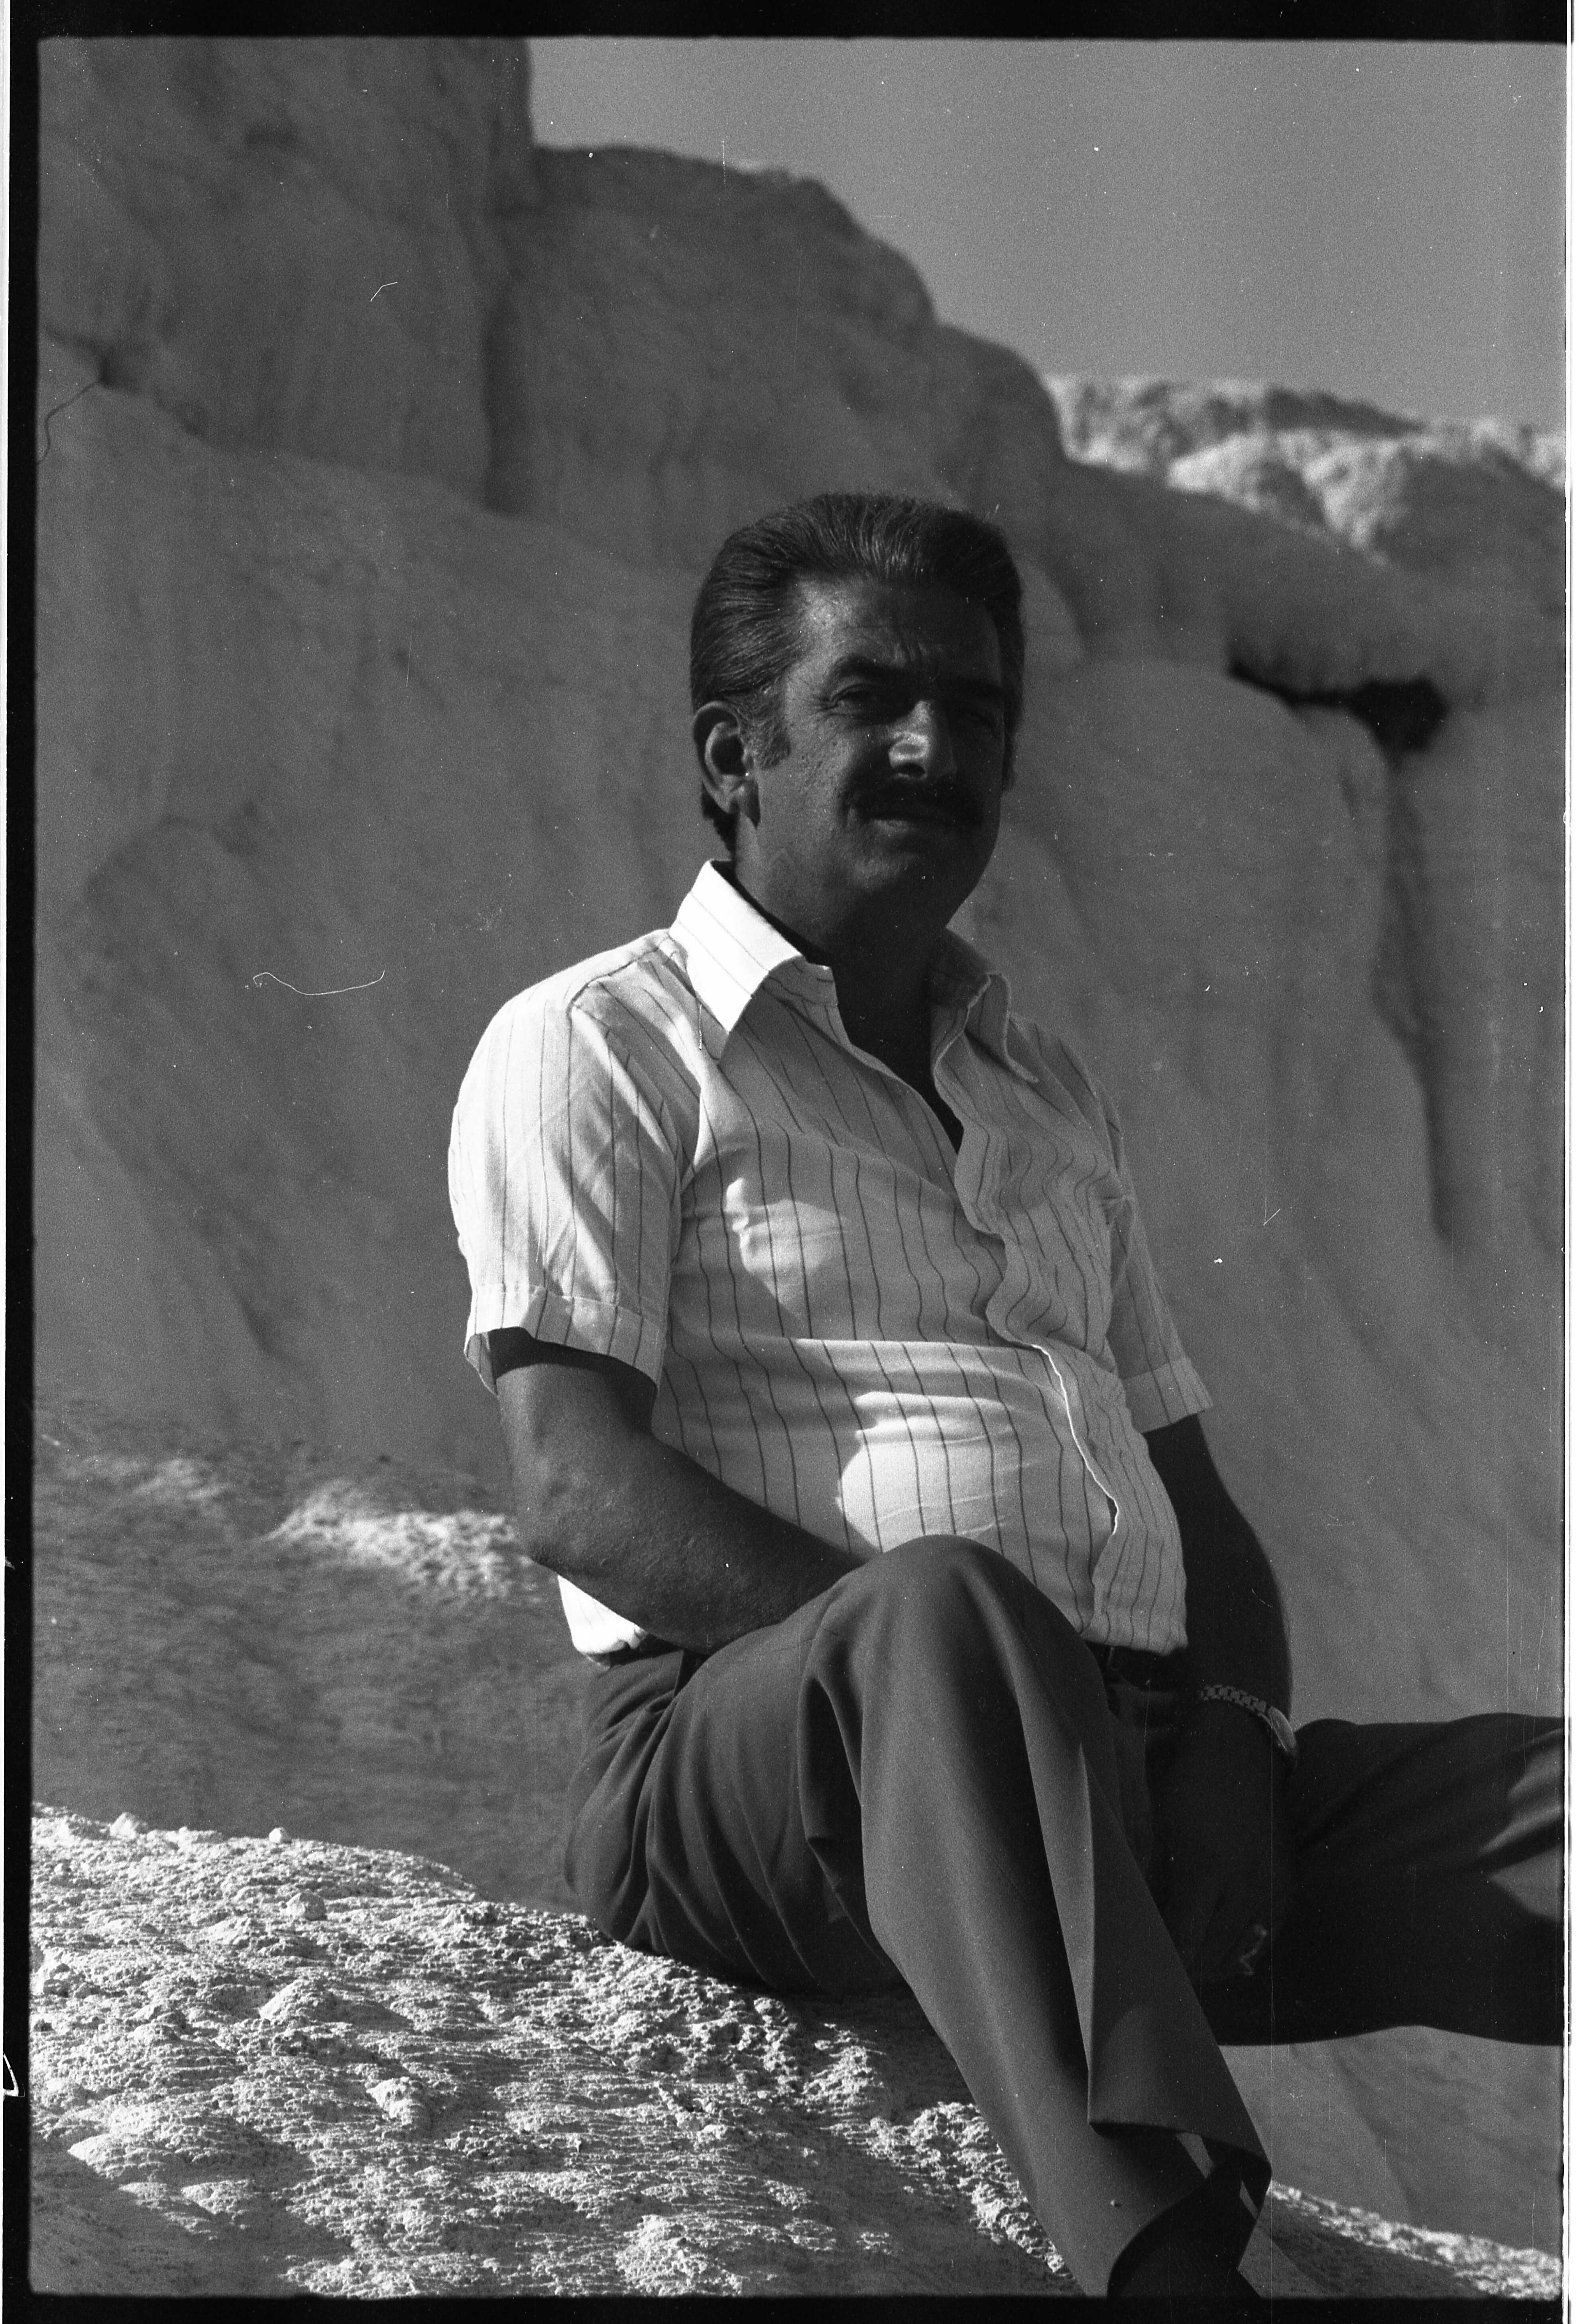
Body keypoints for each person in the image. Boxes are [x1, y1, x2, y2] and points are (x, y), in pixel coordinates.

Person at [448, 493, 1560, 2299]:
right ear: (733, 755)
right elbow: (576, 1487)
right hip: (763, 1776)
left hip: (1109, 1778)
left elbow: (1194, 1502)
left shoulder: (1041, 1087)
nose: (933, 746)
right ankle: (1175, 2265)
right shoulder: (601, 1042)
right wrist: (985, 1701)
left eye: (974, 712)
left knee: (1544, 1803)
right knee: (946, 1616)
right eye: (871, 699)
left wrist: (1233, 1745)